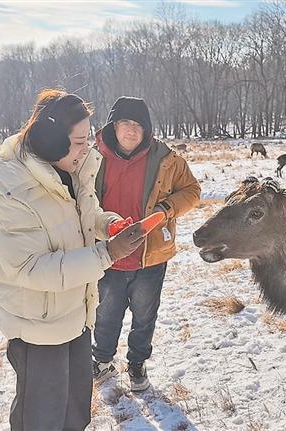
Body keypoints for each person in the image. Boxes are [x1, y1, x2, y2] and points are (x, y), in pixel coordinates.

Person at [0, 89, 147, 430]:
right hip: (38, 328)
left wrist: (108, 224)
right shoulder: (10, 188)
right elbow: (31, 268)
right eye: (79, 141)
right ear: (50, 139)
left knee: (75, 414)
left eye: (88, 139)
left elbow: (86, 215)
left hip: (77, 314)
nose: (88, 149)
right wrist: (108, 253)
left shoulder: (71, 170)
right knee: (41, 420)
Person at [91, 96, 201, 391]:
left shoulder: (167, 159)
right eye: (125, 123)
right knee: (105, 314)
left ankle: (137, 363)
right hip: (107, 254)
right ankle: (102, 361)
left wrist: (166, 210)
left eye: (138, 125)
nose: (131, 130)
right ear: (113, 126)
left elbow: (192, 191)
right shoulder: (92, 158)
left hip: (150, 257)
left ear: (147, 129)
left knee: (144, 316)